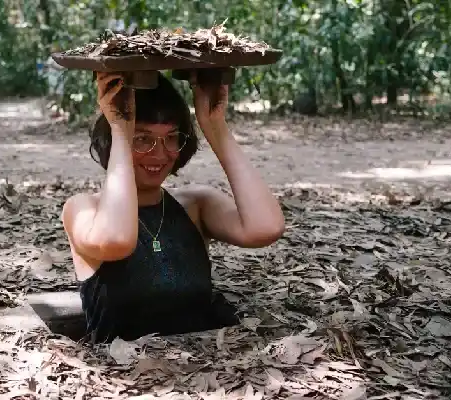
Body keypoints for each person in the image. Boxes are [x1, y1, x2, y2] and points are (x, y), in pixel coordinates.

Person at [60, 70, 286, 343]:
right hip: (127, 381)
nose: (159, 153)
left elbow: (267, 227)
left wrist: (215, 125)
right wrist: (120, 129)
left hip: (209, 373)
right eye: (142, 139)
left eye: (170, 137)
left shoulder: (195, 204)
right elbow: (116, 240)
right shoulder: (83, 209)